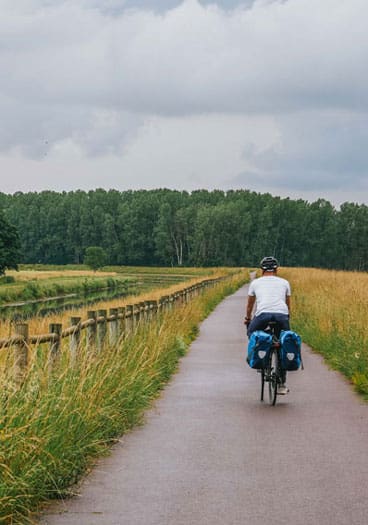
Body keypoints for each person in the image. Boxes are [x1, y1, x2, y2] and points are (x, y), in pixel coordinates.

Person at [245, 256, 291, 394]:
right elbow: (288, 304)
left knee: (251, 333)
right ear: (276, 269)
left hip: (263, 315)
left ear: (261, 270)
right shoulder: (285, 282)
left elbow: (250, 305)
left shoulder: (255, 283)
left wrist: (247, 318)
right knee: (284, 343)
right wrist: (287, 318)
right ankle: (282, 383)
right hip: (282, 315)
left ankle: (259, 354)